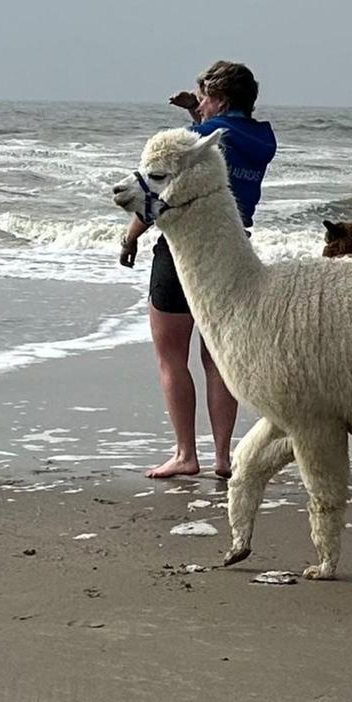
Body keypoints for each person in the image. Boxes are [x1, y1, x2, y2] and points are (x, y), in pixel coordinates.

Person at [119, 61, 277, 479]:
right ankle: (223, 457)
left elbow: (166, 194)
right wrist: (200, 117)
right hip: (232, 249)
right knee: (218, 358)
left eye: (205, 96)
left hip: (185, 253)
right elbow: (223, 151)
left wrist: (130, 236)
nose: (200, 102)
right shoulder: (263, 138)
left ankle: (186, 454)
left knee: (171, 356)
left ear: (221, 98)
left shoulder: (200, 138)